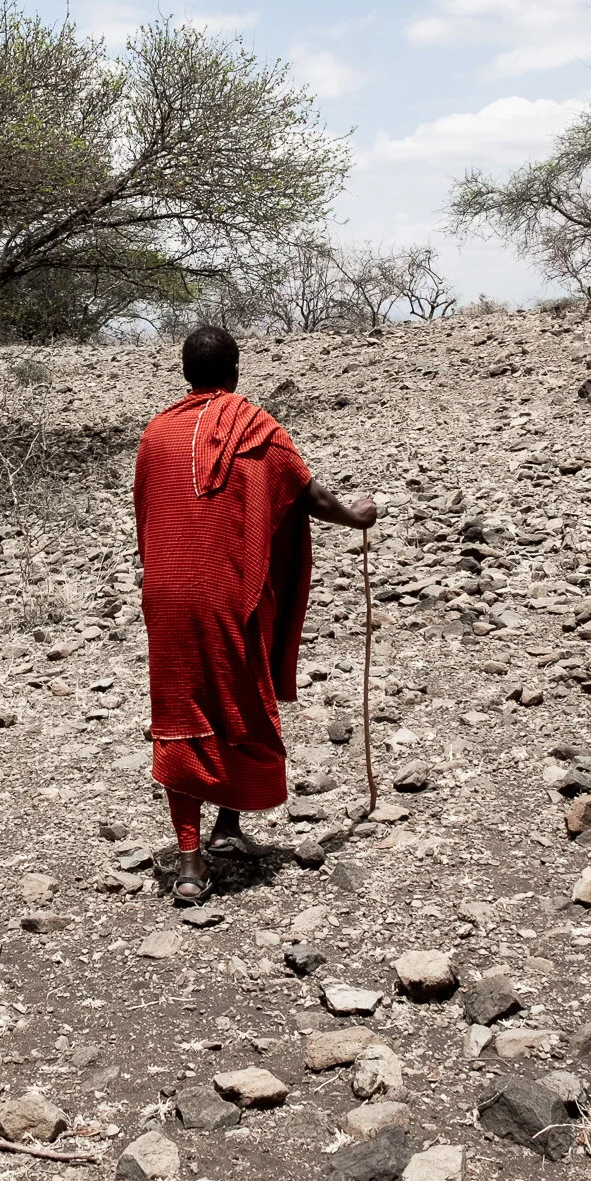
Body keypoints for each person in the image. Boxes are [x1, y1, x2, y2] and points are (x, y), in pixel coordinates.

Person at [133, 323, 377, 903]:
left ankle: (197, 854)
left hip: (168, 596)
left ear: (185, 374)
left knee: (182, 712)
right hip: (230, 595)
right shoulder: (257, 429)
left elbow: (147, 516)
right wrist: (356, 515)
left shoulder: (156, 435)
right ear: (236, 372)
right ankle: (217, 832)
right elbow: (306, 496)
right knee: (237, 702)